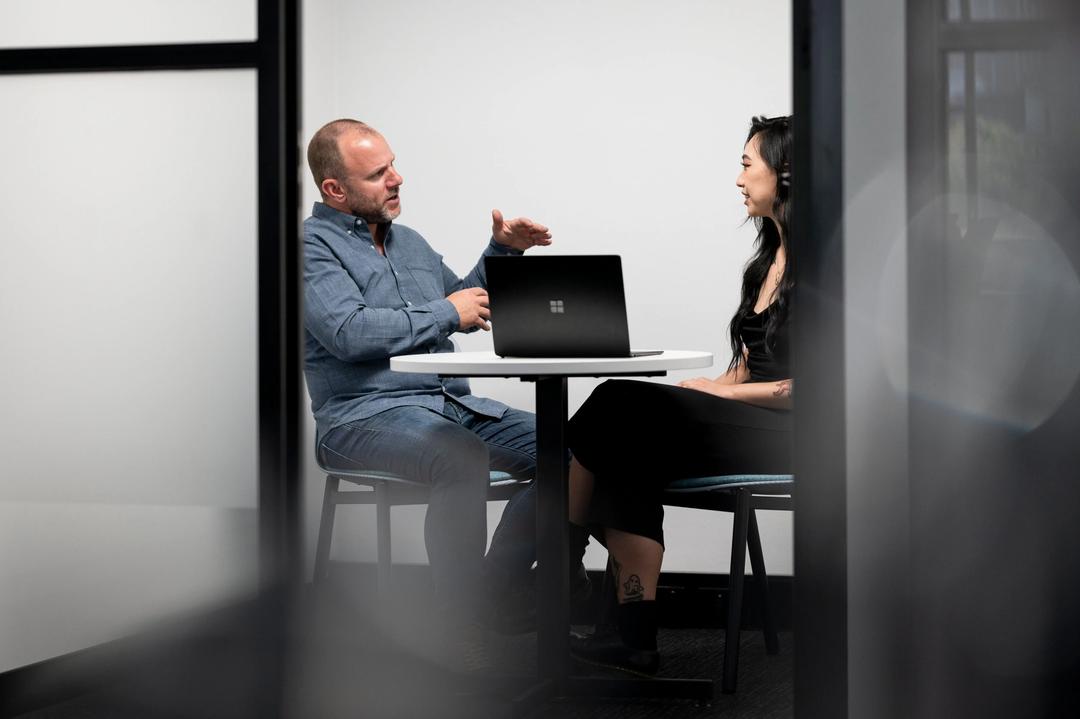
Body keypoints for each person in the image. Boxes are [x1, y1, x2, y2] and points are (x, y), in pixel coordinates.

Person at [302, 118, 551, 665]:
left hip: (451, 406)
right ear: (334, 189)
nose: (397, 178)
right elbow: (349, 332)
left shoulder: (409, 242)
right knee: (459, 455)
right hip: (362, 417)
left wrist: (503, 251)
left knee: (571, 449)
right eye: (378, 174)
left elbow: (466, 302)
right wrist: (446, 313)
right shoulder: (309, 248)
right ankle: (458, 623)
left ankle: (491, 590)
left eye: (393, 165)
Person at [566, 115, 795, 676]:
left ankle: (560, 565)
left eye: (747, 164)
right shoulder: (766, 262)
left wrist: (720, 399)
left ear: (786, 173)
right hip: (753, 422)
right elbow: (750, 364)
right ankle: (634, 639)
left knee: (615, 402)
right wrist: (704, 392)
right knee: (628, 445)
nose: (738, 178)